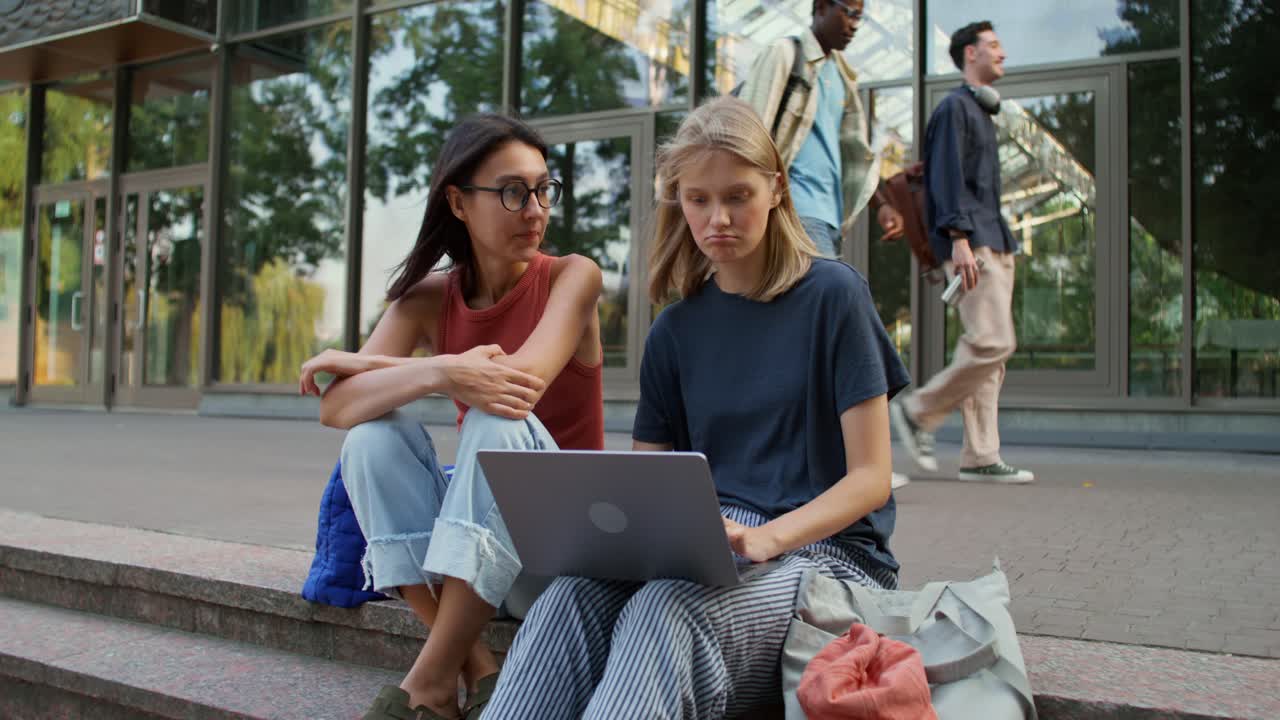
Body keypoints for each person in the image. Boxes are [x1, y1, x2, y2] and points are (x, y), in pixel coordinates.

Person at [479, 96, 909, 719]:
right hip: (711, 548)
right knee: (565, 597)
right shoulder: (674, 332)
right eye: (698, 198)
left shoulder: (834, 297)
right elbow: (644, 489)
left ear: (777, 191)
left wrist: (768, 538)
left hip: (830, 555)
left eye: (737, 196)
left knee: (667, 608)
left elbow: (870, 479)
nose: (718, 218)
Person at [297, 114, 605, 720]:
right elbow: (337, 407)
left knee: (494, 420)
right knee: (371, 439)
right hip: (478, 561)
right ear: (459, 203)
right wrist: (442, 371)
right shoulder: (428, 298)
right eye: (513, 192)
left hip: (558, 561)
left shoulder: (575, 276)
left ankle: (428, 678)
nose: (536, 209)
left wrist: (382, 366)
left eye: (545, 189)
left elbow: (516, 388)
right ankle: (473, 668)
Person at [888, 21, 1034, 484]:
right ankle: (917, 412)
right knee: (993, 341)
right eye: (993, 45)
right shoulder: (954, 108)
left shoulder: (980, 112)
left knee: (991, 355)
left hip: (994, 239)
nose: (1002, 53)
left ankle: (981, 455)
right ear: (970, 54)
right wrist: (959, 238)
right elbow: (946, 177)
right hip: (974, 242)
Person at [736, 0, 905, 260]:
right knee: (827, 297)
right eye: (849, 13)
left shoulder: (842, 76)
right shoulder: (784, 54)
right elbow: (749, 134)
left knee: (808, 298)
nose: (854, 25)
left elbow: (853, 154)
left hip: (833, 217)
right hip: (796, 210)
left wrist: (880, 205)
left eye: (859, 17)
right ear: (822, 7)